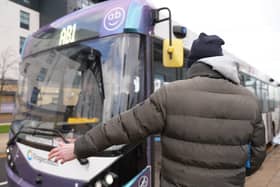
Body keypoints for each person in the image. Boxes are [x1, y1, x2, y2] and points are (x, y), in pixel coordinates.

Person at [49, 33, 266, 187]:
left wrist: (78, 148)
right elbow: (257, 154)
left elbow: (123, 127)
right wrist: (234, 176)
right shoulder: (249, 100)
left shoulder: (171, 94)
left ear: (195, 64)